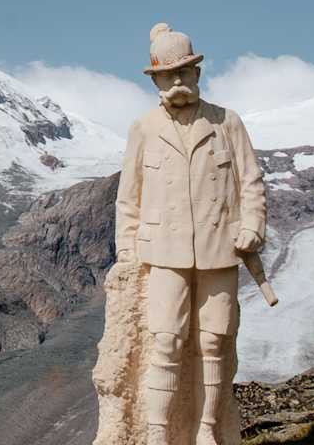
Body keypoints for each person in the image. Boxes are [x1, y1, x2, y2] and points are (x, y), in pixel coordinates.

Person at [113, 23, 267, 445]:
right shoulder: (143, 129)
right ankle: (158, 434)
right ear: (155, 80)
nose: (177, 81)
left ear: (198, 73)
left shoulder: (227, 122)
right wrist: (127, 253)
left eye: (185, 72)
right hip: (163, 252)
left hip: (220, 250)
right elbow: (129, 198)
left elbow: (251, 183)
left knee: (215, 342)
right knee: (165, 341)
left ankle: (206, 432)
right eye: (168, 74)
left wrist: (252, 226)